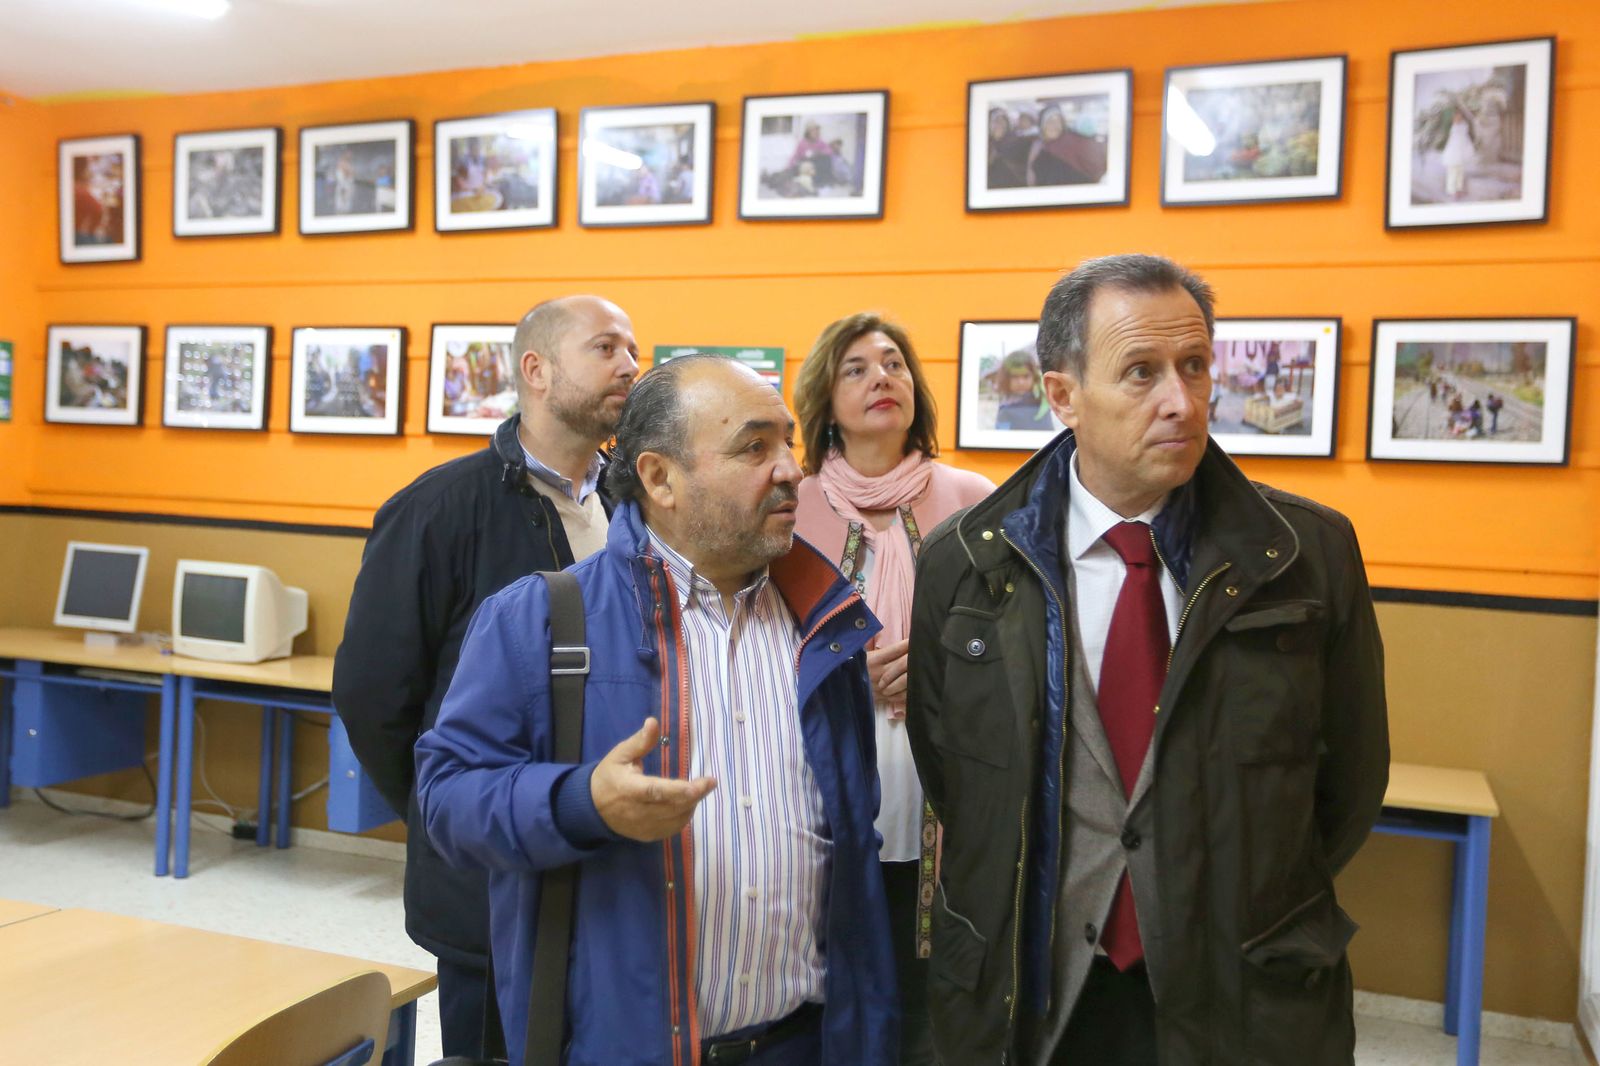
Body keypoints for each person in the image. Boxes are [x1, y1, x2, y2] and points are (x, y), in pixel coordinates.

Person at [906, 254, 1389, 1065]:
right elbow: (955, 775)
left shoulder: (1306, 553)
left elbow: (1348, 782)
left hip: (1241, 988)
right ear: (1062, 395)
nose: (1181, 400)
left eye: (1195, 367)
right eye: (1141, 372)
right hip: (1038, 988)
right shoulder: (965, 563)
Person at [415, 354, 898, 1066]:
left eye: (789, 444)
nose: (792, 470)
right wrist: (583, 802)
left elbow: (852, 854)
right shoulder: (541, 622)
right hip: (625, 1046)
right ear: (659, 477)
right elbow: (447, 797)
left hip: (810, 1042)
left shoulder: (827, 625)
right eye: (755, 447)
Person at [332, 295, 640, 1061]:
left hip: (614, 870)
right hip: (491, 876)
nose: (631, 367)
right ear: (535, 370)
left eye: (634, 349)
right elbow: (374, 695)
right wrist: (451, 813)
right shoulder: (439, 509)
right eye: (606, 348)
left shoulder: (636, 505)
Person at [792, 314, 994, 1065]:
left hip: (946, 776)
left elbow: (1016, 644)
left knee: (931, 979)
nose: (882, 377)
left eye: (895, 364)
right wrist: (845, 675)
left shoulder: (975, 499)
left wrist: (941, 675)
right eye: (857, 368)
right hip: (823, 771)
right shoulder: (793, 504)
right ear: (825, 399)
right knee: (835, 964)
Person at [1027, 104, 1107, 187]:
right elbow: (1031, 172)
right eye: (1050, 121)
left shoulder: (1069, 141)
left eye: (1059, 121)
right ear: (1042, 125)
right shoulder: (1037, 145)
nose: (1055, 125)